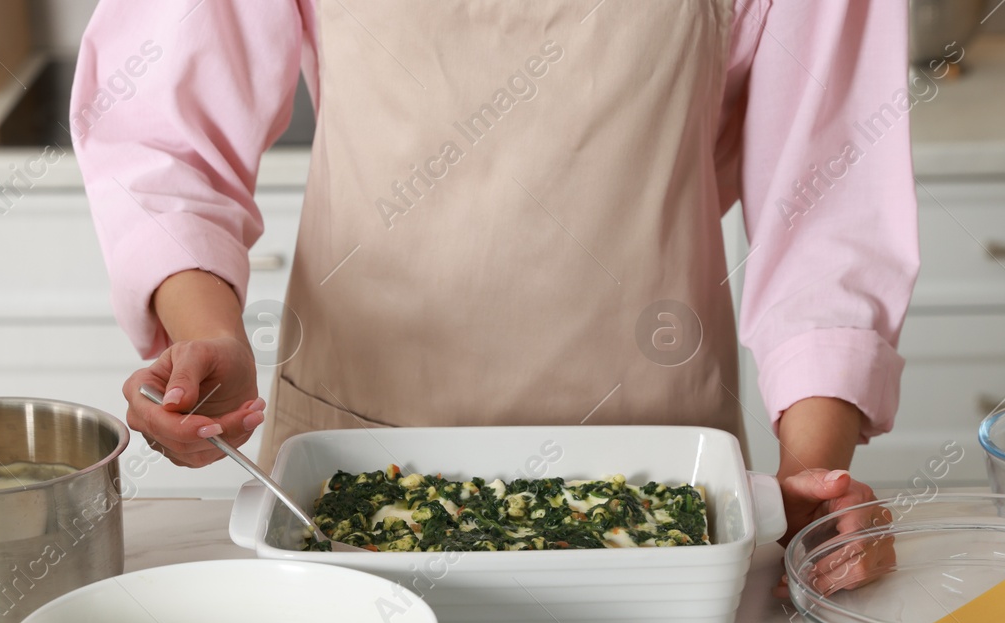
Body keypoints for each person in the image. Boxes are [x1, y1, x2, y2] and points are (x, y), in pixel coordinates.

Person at [73, 0, 918, 542]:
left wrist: (810, 484)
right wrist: (208, 333)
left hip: (669, 492)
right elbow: (163, 135)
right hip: (349, 473)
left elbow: (828, 192)